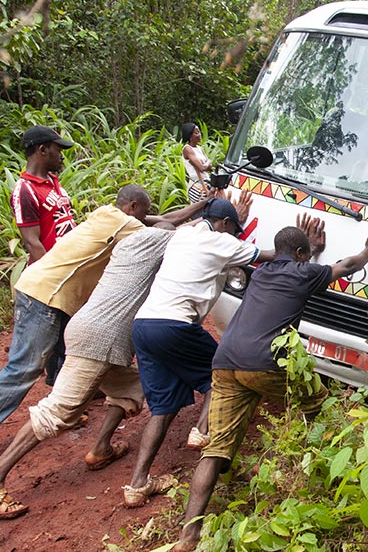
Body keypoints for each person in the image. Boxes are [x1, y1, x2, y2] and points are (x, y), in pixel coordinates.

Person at [173, 217, 368, 550]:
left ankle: (187, 536)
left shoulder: (261, 272)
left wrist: (310, 253)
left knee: (216, 448)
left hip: (225, 361)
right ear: (301, 253)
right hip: (265, 363)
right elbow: (347, 265)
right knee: (321, 406)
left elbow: (295, 269)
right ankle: (323, 476)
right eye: (306, 254)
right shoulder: (305, 272)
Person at [0, 186, 206, 474]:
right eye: (144, 213)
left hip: (63, 303)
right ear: (133, 207)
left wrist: (203, 205)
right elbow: (167, 229)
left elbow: (157, 221)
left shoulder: (109, 216)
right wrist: (207, 215)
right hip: (49, 296)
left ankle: (93, 427)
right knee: (28, 372)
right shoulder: (129, 227)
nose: (146, 218)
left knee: (106, 376)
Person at [0, 223, 177, 519]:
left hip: (89, 329)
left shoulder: (128, 245)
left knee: (132, 388)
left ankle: (101, 448)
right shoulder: (163, 242)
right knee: (57, 412)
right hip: (101, 340)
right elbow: (192, 233)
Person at [123, 197, 274, 508]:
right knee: (222, 372)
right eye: (233, 229)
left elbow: (205, 225)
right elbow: (270, 255)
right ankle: (202, 432)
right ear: (226, 226)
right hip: (174, 325)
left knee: (162, 407)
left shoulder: (185, 234)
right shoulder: (222, 241)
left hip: (144, 324)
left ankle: (137, 484)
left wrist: (230, 220)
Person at [13, 125, 78, 385]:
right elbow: (32, 242)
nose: (61, 155)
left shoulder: (53, 182)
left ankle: (67, 384)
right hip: (52, 273)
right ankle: (58, 390)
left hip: (67, 268)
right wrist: (55, 275)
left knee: (67, 331)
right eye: (57, 149)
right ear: (42, 150)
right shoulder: (24, 190)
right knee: (52, 337)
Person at [181, 123, 213, 204]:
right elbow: (202, 168)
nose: (199, 135)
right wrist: (208, 162)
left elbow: (210, 168)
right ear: (190, 136)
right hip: (197, 185)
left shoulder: (200, 148)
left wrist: (206, 164)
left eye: (199, 132)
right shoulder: (187, 149)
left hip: (206, 182)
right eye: (196, 133)